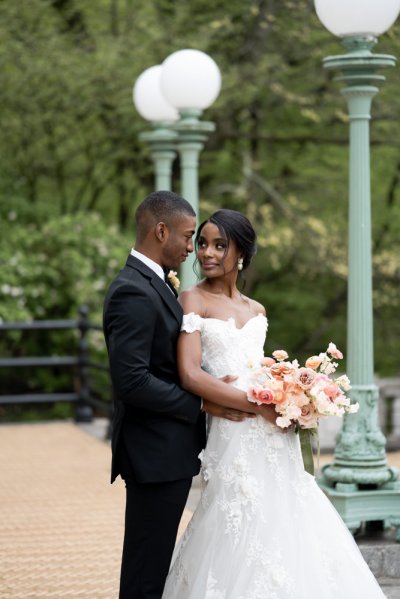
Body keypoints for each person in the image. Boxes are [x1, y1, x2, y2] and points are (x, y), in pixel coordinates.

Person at [162, 208, 386, 599]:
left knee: (286, 508)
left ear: (242, 254)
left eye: (220, 245)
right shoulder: (191, 300)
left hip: (274, 428)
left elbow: (259, 369)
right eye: (202, 243)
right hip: (234, 425)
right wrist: (254, 405)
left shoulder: (257, 310)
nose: (207, 253)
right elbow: (191, 374)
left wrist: (294, 397)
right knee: (235, 510)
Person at [103, 192, 265, 599]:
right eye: (191, 237)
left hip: (169, 451)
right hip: (152, 453)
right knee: (146, 569)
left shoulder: (153, 283)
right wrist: (202, 403)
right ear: (161, 231)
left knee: (155, 565)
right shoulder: (133, 291)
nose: (193, 249)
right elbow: (132, 381)